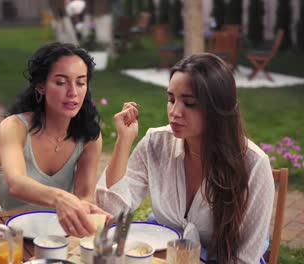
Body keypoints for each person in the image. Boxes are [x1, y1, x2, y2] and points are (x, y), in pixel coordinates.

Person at [96, 53, 274, 263]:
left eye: (188, 103)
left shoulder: (253, 165)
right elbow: (111, 212)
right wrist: (123, 142)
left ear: (217, 108)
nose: (175, 112)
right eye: (171, 99)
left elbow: (244, 258)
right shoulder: (156, 143)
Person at [0, 42, 111, 237]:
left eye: (80, 82)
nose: (73, 92)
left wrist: (87, 210)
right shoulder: (14, 127)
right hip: (10, 238)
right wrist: (60, 198)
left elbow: (84, 196)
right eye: (61, 82)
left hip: (58, 237)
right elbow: (17, 184)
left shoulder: (90, 137)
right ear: (41, 86)